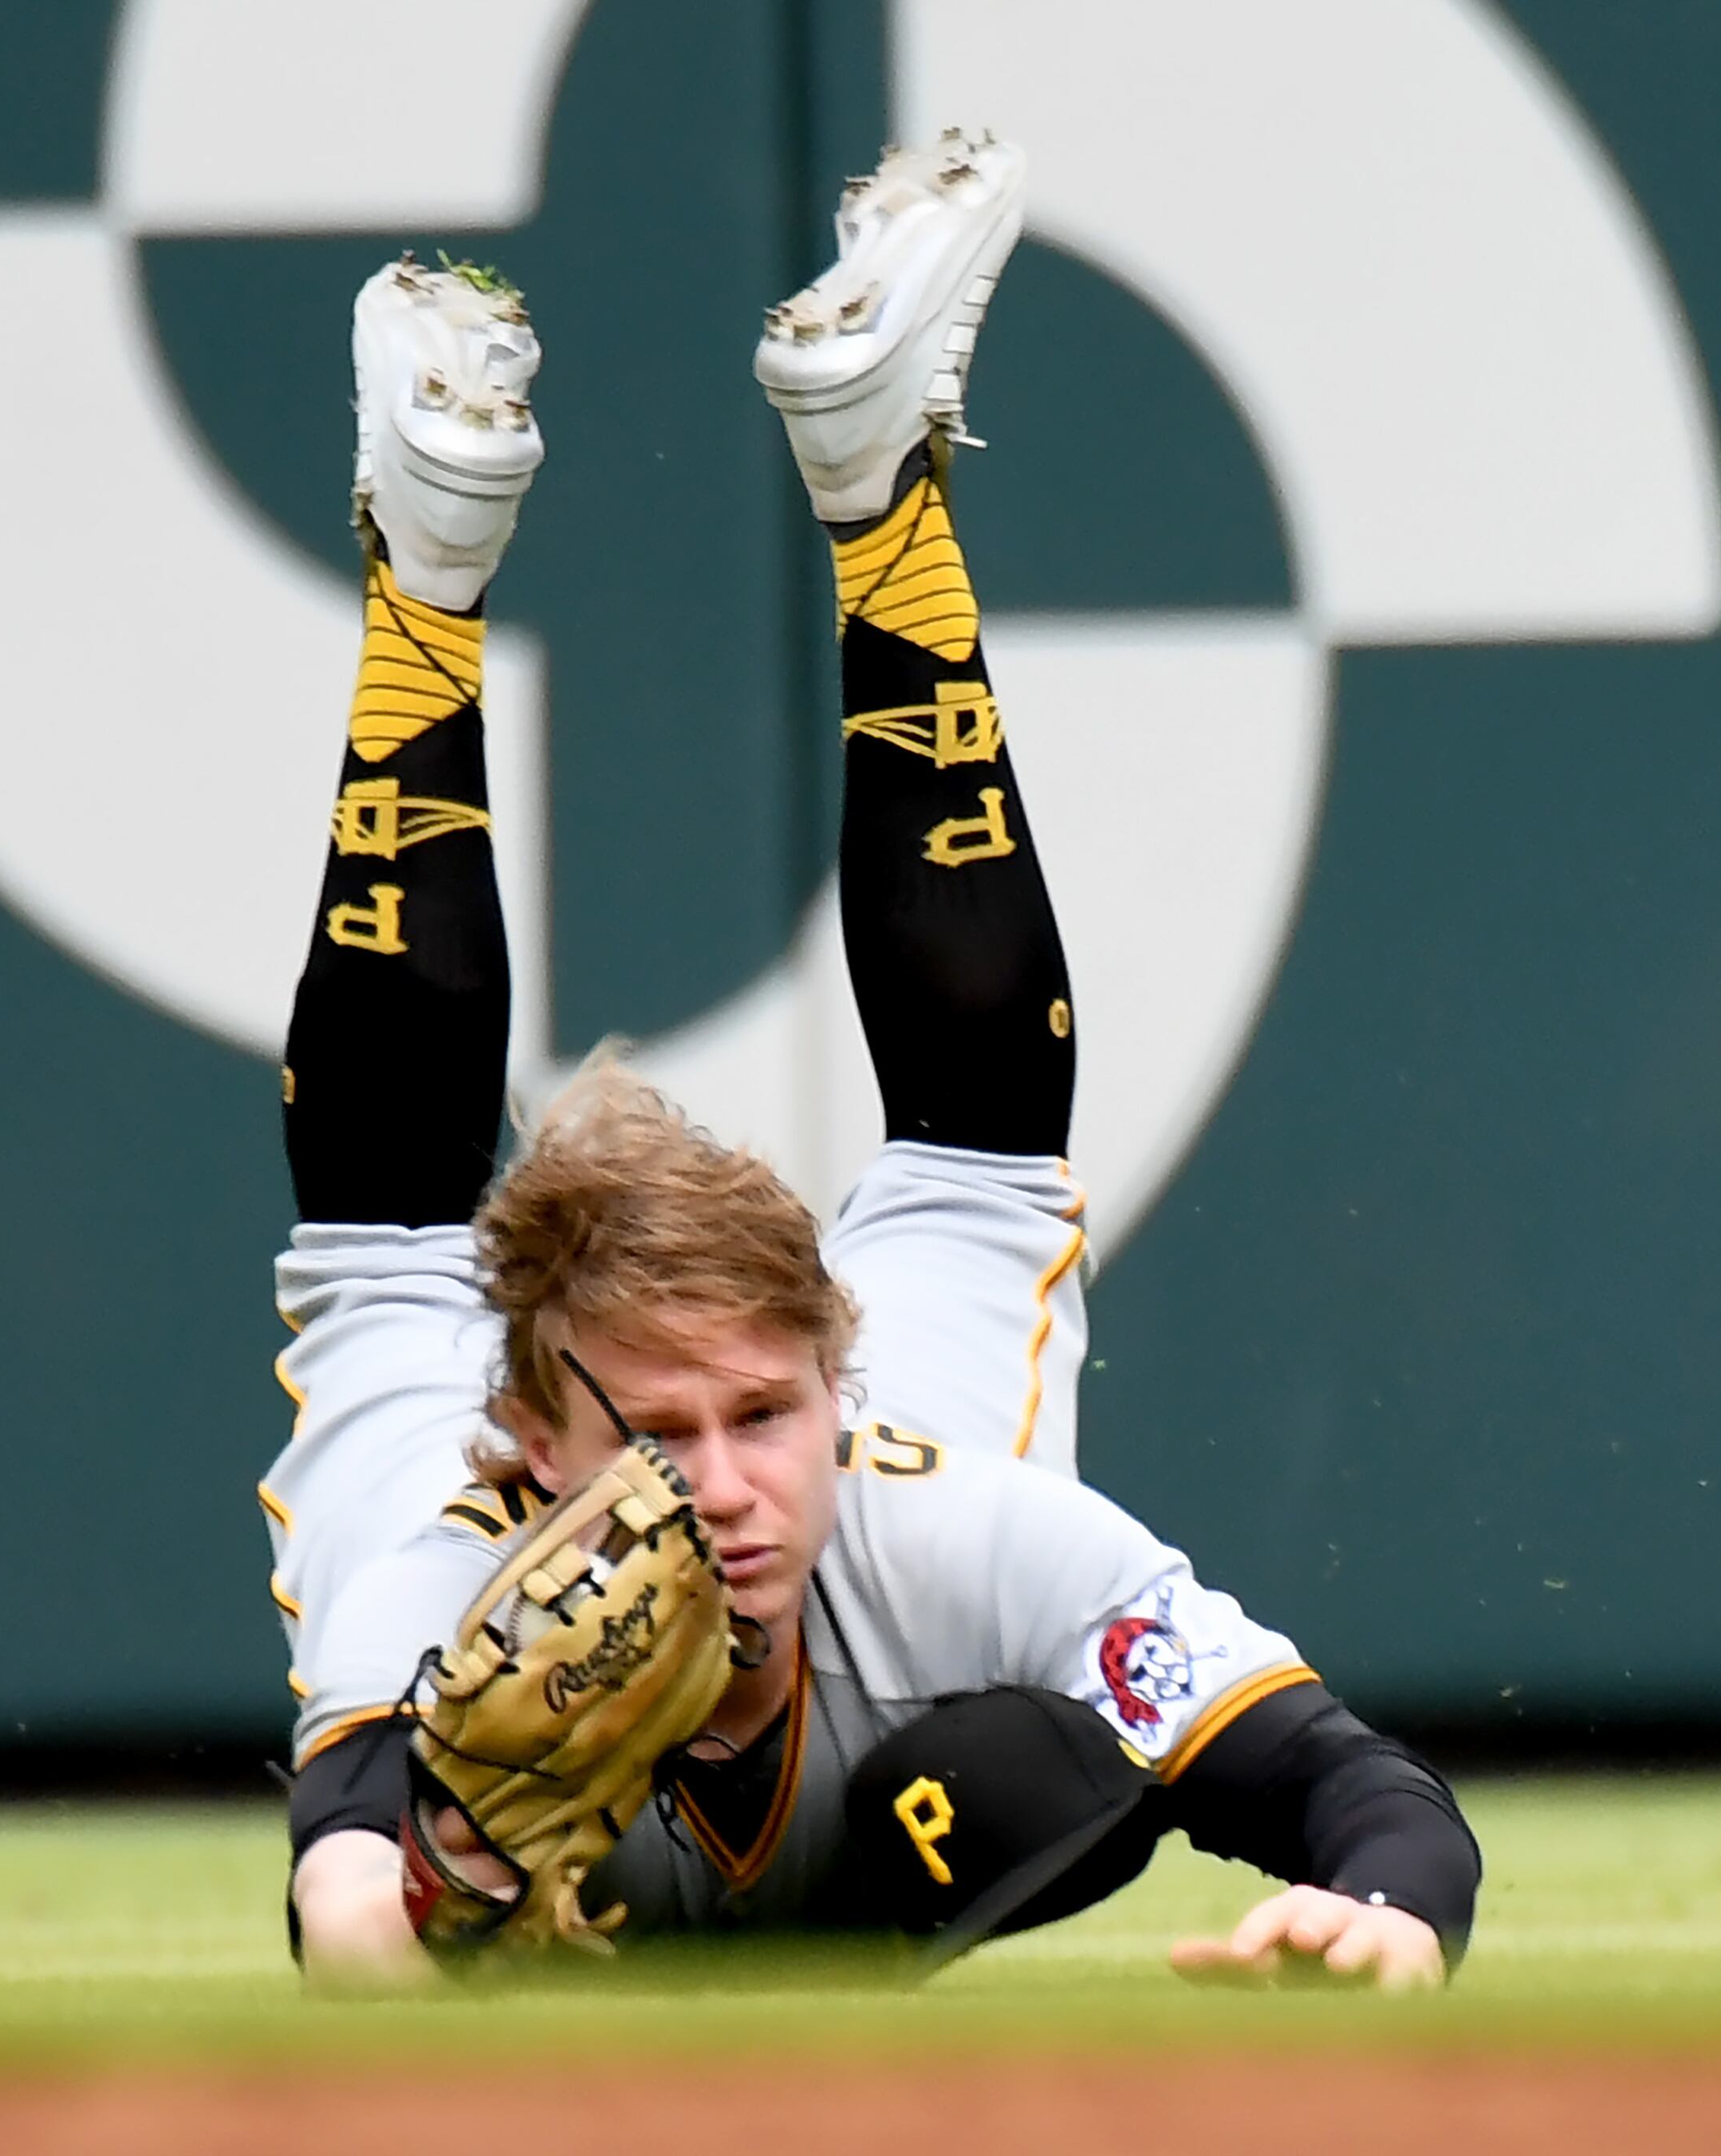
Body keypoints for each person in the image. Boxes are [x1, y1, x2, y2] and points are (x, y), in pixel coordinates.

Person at [258, 136, 1478, 1988]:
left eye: (759, 1417)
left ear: (834, 1388)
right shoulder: (448, 1582)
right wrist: (421, 1894)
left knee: (1017, 1714)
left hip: (896, 1529)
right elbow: (341, 1907)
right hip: (479, 1468)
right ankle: (477, 560)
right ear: (534, 1451)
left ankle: (780, 507)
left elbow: (1351, 1782)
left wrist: (1380, 1917)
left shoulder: (952, 1528)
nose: (726, 1486)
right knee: (401, 1241)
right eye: (654, 1438)